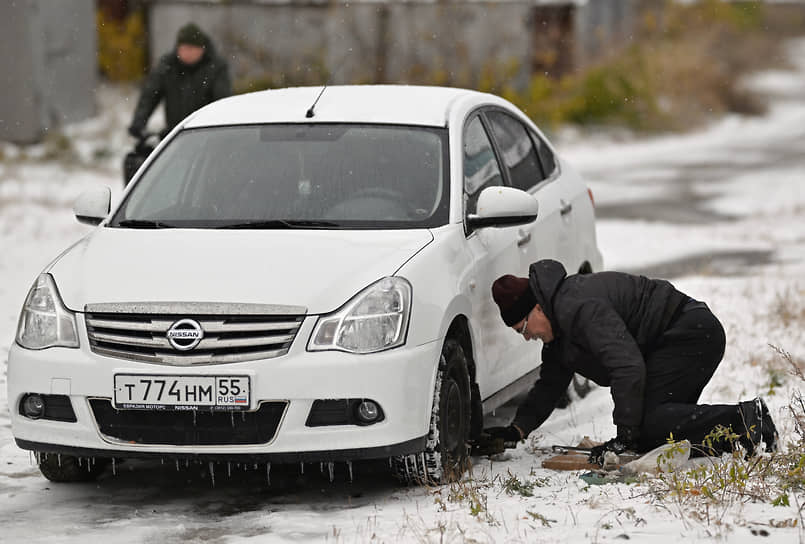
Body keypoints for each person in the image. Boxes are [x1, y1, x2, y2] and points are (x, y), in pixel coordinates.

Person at [482, 259, 778, 464]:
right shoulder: (559, 332)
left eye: (523, 328)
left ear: (537, 308)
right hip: (672, 341)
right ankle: (739, 438)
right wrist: (516, 430)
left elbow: (627, 367)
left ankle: (748, 420)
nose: (526, 336)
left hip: (689, 334)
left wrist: (624, 437)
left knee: (648, 426)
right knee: (654, 434)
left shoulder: (580, 307)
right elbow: (549, 385)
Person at [128, 23, 231, 139]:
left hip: (206, 133)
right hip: (175, 133)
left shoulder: (216, 68)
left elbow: (222, 101)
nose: (187, 53)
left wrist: (222, 128)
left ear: (202, 49)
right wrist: (138, 122)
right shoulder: (167, 66)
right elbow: (150, 95)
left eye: (191, 49)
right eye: (183, 48)